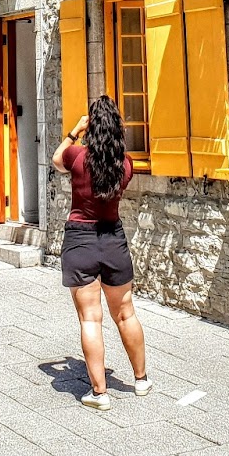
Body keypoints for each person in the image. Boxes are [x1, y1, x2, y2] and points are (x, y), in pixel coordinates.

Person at [51, 95, 150, 410]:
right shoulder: (126, 164)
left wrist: (74, 131)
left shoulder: (78, 158)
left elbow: (56, 159)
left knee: (90, 319)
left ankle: (99, 394)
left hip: (80, 240)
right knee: (126, 313)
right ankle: (141, 379)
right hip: (113, 239)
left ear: (91, 127)